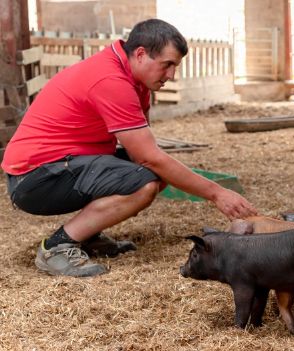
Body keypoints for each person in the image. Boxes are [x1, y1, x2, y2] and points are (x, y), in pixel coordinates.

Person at [1, 19, 257, 277]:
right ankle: (56, 247)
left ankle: (87, 233)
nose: (171, 75)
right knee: (143, 183)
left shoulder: (135, 80)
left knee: (151, 175)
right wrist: (217, 193)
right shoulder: (110, 80)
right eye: (167, 65)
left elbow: (142, 154)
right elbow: (149, 158)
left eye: (175, 67)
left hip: (62, 164)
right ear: (141, 54)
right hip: (33, 178)